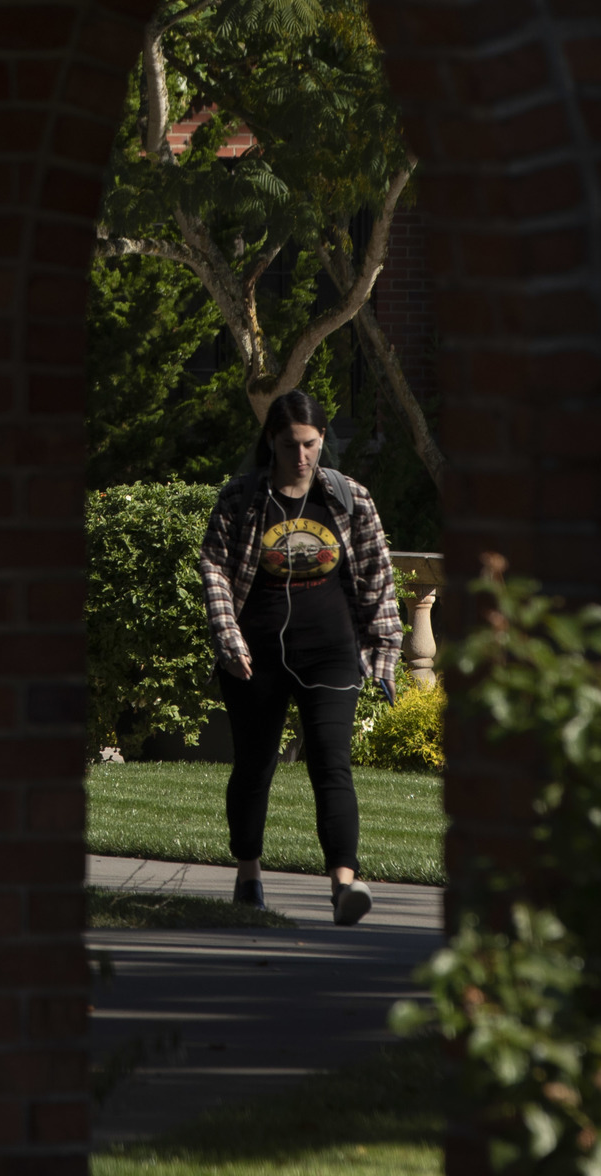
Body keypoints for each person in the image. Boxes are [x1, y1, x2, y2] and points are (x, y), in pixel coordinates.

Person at [197, 387, 400, 925]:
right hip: (254, 655)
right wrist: (228, 637)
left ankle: (344, 886)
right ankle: (248, 877)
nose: (303, 456)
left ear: (322, 441)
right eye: (291, 445)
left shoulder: (348, 498)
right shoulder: (242, 499)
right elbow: (213, 567)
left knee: (332, 764)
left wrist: (381, 652)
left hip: (330, 653)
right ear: (271, 442)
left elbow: (379, 575)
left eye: (311, 444)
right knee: (255, 766)